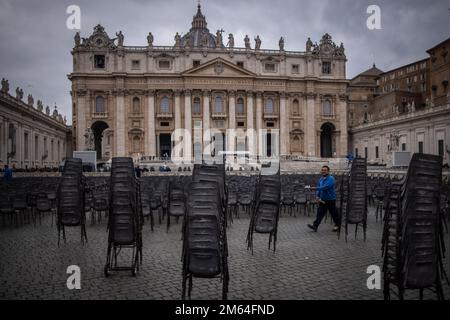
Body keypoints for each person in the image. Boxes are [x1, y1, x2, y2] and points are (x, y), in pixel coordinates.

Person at [306, 165, 340, 232]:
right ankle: (315, 226)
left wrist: (314, 188)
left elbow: (325, 187)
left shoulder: (331, 178)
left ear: (328, 171)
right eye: (322, 170)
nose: (323, 171)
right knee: (319, 213)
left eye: (325, 170)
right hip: (323, 200)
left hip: (330, 199)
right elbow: (319, 188)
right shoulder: (321, 179)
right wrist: (317, 196)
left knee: (334, 213)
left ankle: (337, 225)